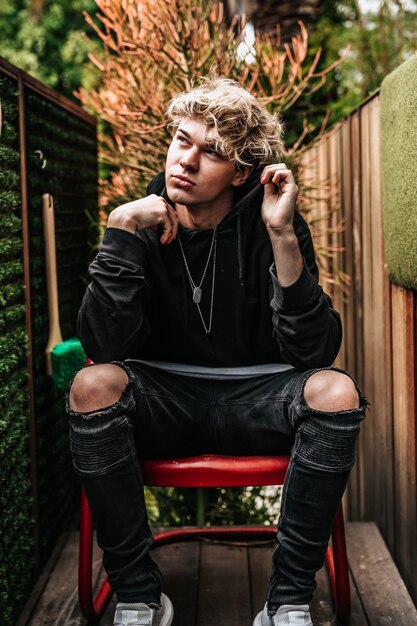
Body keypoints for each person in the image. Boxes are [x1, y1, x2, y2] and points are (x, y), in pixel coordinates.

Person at [67, 77, 367, 626]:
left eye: (212, 153)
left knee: (338, 390)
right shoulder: (137, 222)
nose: (187, 160)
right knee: (91, 385)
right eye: (183, 140)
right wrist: (119, 229)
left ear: (242, 172)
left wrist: (281, 237)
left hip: (260, 397)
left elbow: (314, 352)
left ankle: (287, 602)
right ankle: (138, 595)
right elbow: (104, 346)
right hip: (165, 398)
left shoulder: (273, 221)